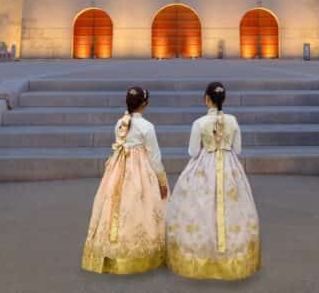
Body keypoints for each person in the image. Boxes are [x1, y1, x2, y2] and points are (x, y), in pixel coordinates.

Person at [166, 81, 261, 280]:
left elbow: (192, 152)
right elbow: (238, 150)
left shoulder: (199, 123)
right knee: (234, 207)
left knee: (198, 207)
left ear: (206, 99)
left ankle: (199, 253)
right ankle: (233, 255)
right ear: (224, 99)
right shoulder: (233, 120)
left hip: (204, 164)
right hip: (229, 165)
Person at [81, 85, 168, 275]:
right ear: (144, 104)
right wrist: (161, 179)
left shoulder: (120, 123)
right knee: (138, 205)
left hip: (119, 167)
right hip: (140, 170)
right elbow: (154, 157)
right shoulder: (147, 127)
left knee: (114, 204)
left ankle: (112, 250)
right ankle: (141, 252)